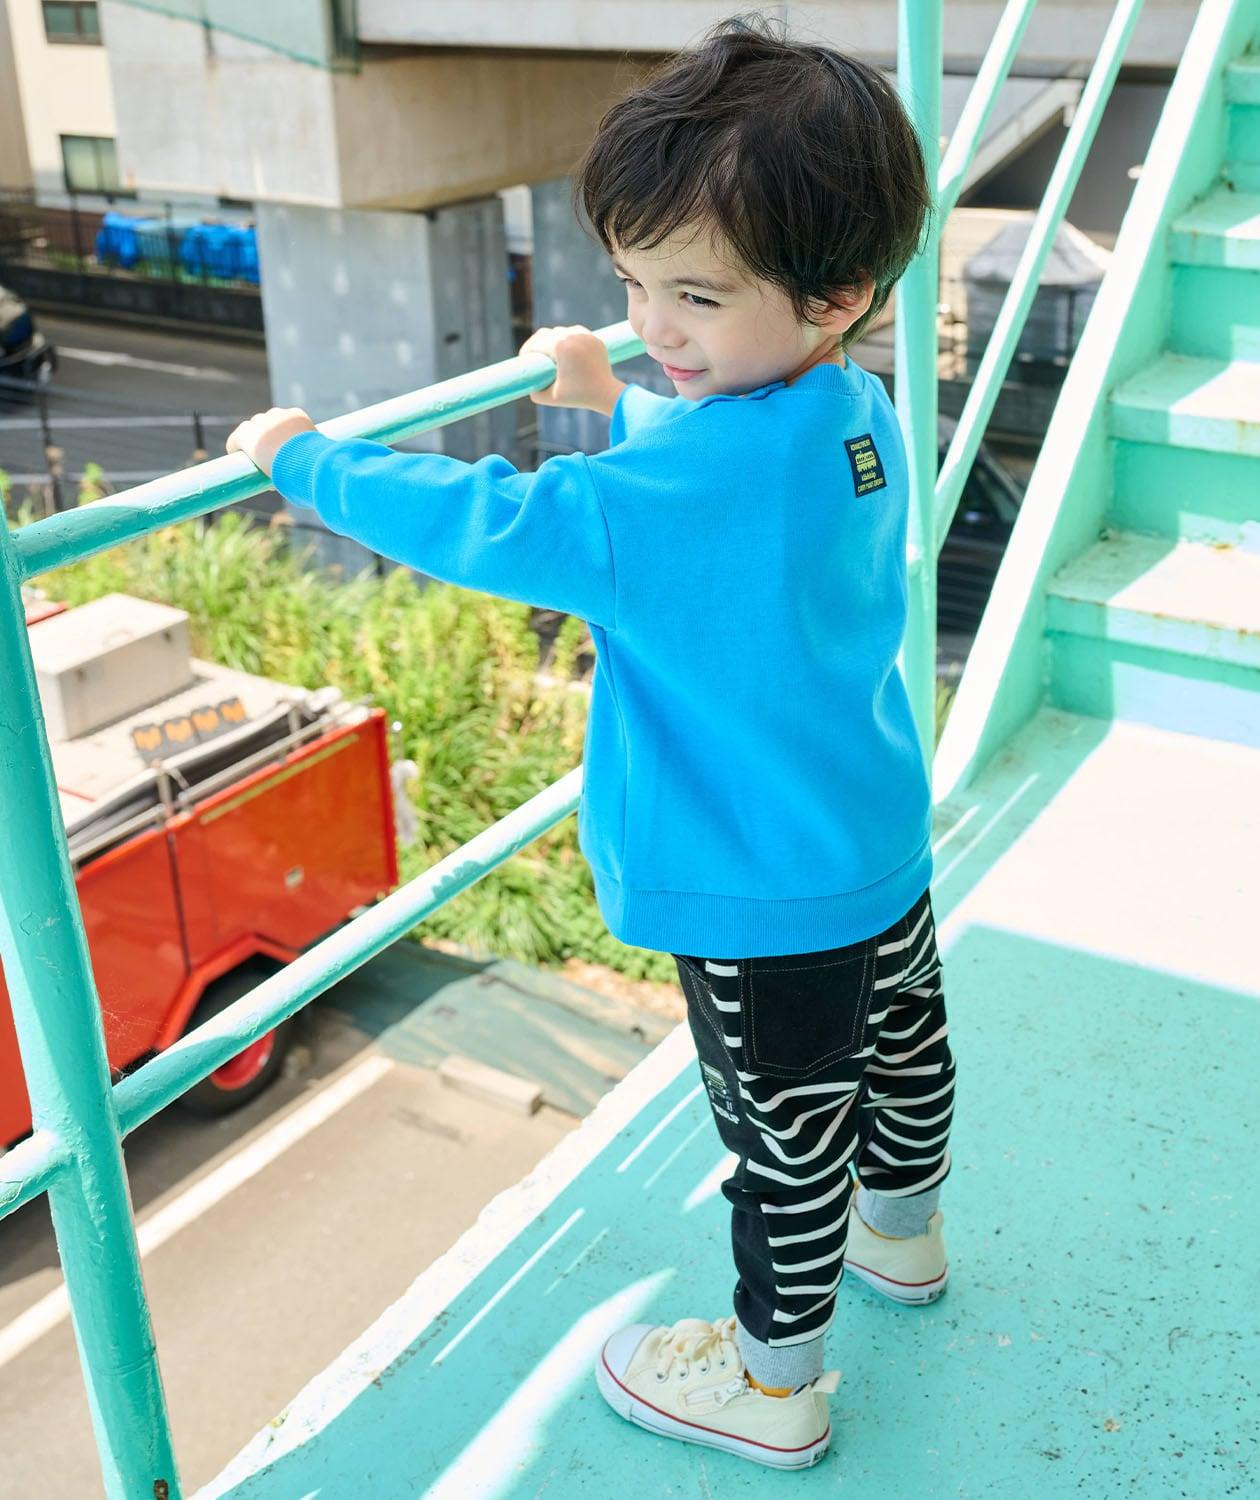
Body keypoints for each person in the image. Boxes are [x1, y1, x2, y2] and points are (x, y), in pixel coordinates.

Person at [226, 10, 955, 1472]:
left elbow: (491, 521)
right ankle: (907, 1239)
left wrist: (304, 462)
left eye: (694, 296)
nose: (655, 326)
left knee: (781, 1138)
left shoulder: (665, 499)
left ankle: (772, 1384)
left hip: (750, 887)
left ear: (835, 295)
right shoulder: (858, 409)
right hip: (870, 841)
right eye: (632, 284)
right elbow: (725, 488)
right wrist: (614, 400)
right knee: (903, 1054)